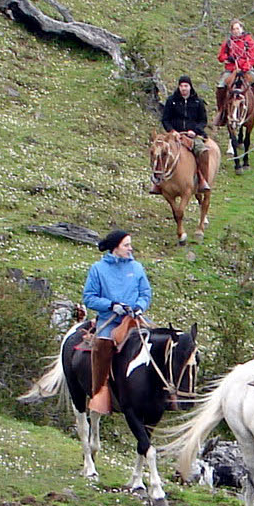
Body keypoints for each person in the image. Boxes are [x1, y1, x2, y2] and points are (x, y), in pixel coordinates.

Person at [81, 229, 151, 415]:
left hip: (134, 319)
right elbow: (89, 297)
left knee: (157, 342)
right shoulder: (98, 269)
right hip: (110, 320)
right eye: (126, 245)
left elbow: (145, 293)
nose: (130, 248)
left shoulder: (137, 268)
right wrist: (111, 305)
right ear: (115, 248)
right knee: (102, 347)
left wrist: (139, 307)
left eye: (130, 244)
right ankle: (99, 393)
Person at [158, 77, 216, 193]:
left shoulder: (198, 102)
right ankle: (158, 181)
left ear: (190, 87)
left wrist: (194, 131)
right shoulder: (171, 101)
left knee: (202, 152)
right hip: (174, 135)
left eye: (186, 86)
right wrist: (172, 131)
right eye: (181, 86)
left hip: (192, 135)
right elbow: (165, 120)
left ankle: (202, 180)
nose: (183, 88)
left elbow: (203, 121)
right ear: (178, 87)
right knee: (159, 151)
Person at [217, 20, 254, 125]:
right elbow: (220, 56)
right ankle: (221, 111)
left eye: (237, 28)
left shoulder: (248, 41)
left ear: (242, 29)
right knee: (221, 85)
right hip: (231, 69)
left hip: (246, 69)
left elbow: (252, 58)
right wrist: (228, 57)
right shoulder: (228, 42)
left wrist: (244, 67)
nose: (236, 31)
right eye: (233, 29)